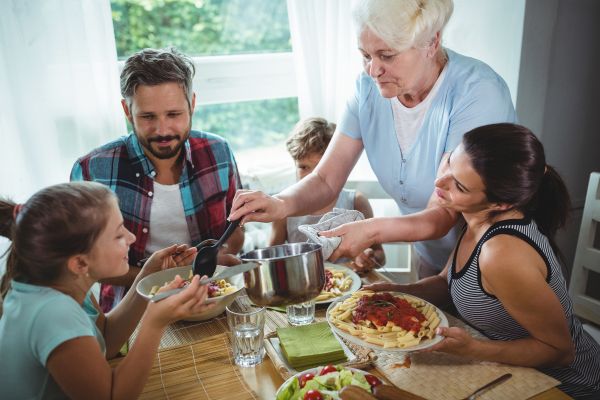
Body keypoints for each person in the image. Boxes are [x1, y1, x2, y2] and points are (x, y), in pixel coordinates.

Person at [228, 0, 516, 279]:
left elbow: (442, 212)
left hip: (495, 261)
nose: (373, 70)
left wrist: (371, 231)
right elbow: (326, 180)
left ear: (432, 42)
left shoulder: (477, 94)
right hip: (433, 257)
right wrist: (279, 204)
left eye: (386, 55)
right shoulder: (367, 89)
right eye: (366, 55)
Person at [364, 124, 600, 399]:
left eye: (460, 186)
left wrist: (473, 349)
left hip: (565, 387)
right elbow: (446, 282)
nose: (440, 183)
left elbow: (560, 351)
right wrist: (395, 293)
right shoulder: (475, 215)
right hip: (507, 372)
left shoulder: (502, 253)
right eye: (450, 162)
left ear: (498, 204)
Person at [0, 181, 214, 399]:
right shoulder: (52, 313)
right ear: (80, 263)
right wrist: (154, 321)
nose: (131, 238)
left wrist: (147, 275)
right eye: (119, 235)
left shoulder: (62, 282)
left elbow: (107, 340)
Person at [71, 47, 244, 312]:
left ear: (192, 104)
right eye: (148, 117)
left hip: (213, 303)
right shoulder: (92, 170)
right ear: (127, 111)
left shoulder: (218, 151)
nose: (163, 130)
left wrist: (220, 255)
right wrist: (160, 278)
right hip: (130, 315)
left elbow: (236, 229)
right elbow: (84, 263)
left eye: (174, 114)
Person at [270, 117, 385, 272]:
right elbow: (270, 259)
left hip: (351, 288)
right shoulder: (284, 210)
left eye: (319, 169)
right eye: (303, 167)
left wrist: (370, 258)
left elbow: (380, 255)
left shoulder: (356, 203)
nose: (311, 178)